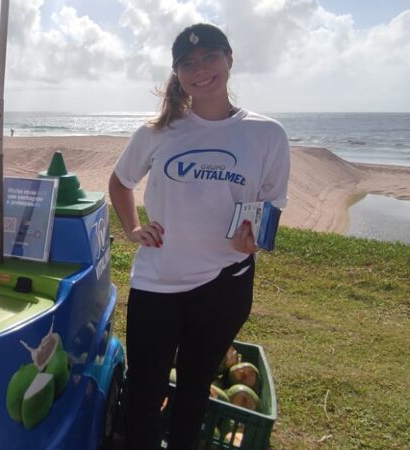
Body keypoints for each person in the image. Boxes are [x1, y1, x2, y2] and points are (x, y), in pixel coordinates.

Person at [109, 23, 290, 449]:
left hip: (225, 285)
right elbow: (120, 183)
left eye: (210, 56)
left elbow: (269, 207)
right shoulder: (156, 132)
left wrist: (255, 239)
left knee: (193, 392)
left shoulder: (267, 134)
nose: (201, 69)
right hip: (158, 282)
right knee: (144, 392)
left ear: (229, 58)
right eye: (188, 63)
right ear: (178, 73)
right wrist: (134, 228)